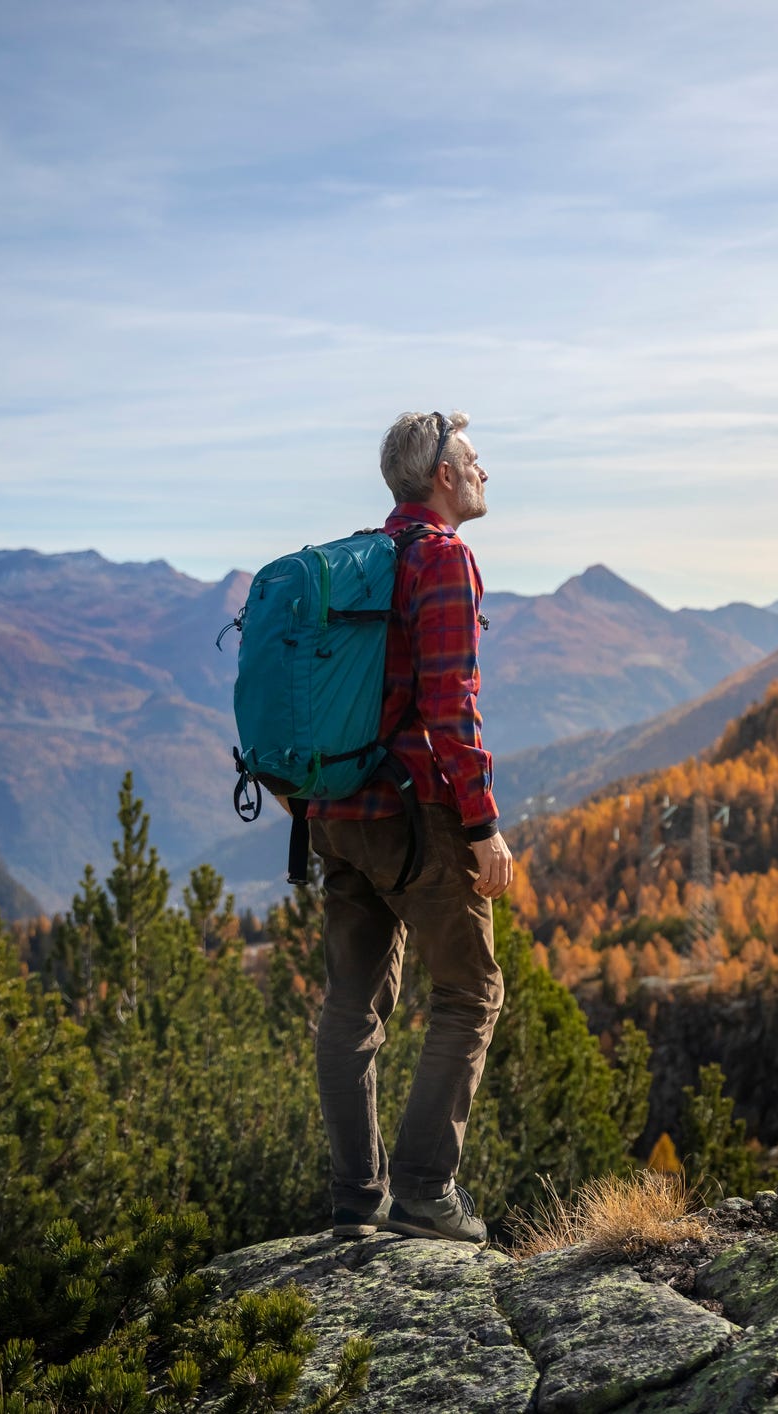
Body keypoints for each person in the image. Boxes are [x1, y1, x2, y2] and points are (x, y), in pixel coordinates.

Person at [305, 409, 515, 1243]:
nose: (484, 472)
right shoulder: (442, 560)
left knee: (352, 1006)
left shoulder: (362, 559)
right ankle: (426, 1193)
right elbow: (450, 710)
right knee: (470, 993)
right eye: (473, 459)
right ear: (442, 477)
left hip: (336, 809)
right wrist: (482, 827)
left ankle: (356, 1198)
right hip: (413, 817)